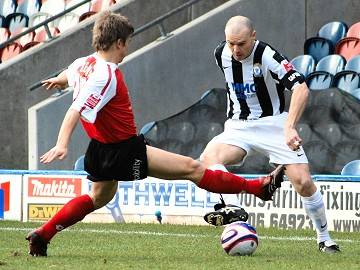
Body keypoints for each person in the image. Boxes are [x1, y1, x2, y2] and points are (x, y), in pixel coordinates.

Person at [25, 11, 284, 257]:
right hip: (124, 150)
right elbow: (74, 110)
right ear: (118, 42)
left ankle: (43, 235)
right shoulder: (106, 74)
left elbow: (68, 76)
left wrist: (59, 80)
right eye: (126, 44)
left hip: (99, 149)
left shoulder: (84, 63)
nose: (126, 50)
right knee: (193, 168)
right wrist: (62, 144)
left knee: (97, 198)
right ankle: (258, 188)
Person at [200, 16, 340, 253]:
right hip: (238, 126)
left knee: (303, 183)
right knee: (208, 159)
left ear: (253, 36)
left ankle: (325, 239)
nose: (235, 50)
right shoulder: (220, 54)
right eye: (231, 43)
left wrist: (289, 126)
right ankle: (234, 210)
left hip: (273, 124)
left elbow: (301, 88)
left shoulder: (267, 55)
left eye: (241, 43)